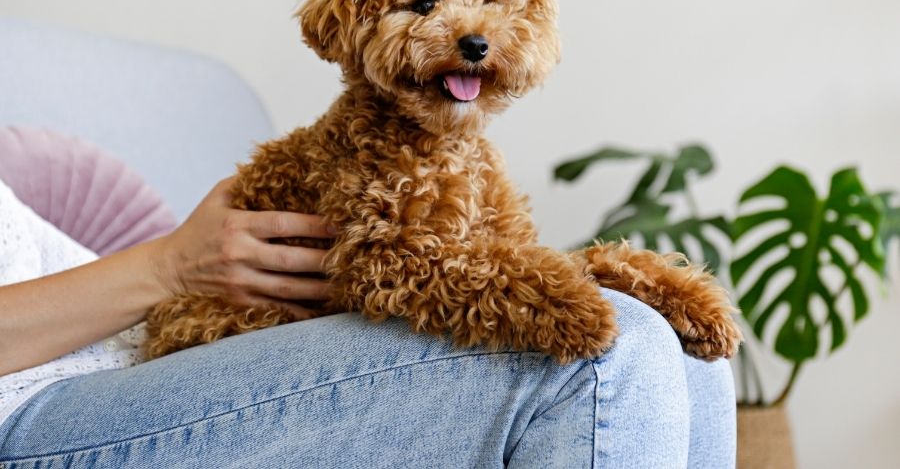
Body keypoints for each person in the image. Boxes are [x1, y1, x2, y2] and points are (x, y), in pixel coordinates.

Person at [0, 177, 735, 468]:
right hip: (30, 412)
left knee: (684, 351)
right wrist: (168, 267)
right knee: (610, 349)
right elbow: (166, 276)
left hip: (138, 357)